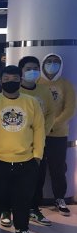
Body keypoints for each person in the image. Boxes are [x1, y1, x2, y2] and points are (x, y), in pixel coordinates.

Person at [0, 65, 45, 233]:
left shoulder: (31, 102)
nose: (11, 82)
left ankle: (22, 229)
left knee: (23, 197)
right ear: (0, 81)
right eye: (6, 79)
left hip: (26, 160)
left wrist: (37, 156)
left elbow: (39, 130)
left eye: (15, 79)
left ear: (20, 80)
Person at [16, 56, 55, 226]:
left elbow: (50, 113)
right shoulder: (15, 90)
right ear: (21, 71)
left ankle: (34, 208)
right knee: (16, 178)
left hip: (39, 142)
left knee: (37, 176)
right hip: (18, 141)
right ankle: (11, 208)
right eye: (28, 69)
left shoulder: (44, 91)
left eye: (35, 68)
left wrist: (42, 133)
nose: (32, 72)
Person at [39, 53, 76, 216]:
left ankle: (60, 198)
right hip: (38, 134)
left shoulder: (66, 85)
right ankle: (35, 200)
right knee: (38, 168)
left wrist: (52, 125)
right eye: (49, 61)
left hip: (58, 134)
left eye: (56, 62)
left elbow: (69, 109)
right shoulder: (37, 83)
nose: (52, 64)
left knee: (58, 168)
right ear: (43, 64)